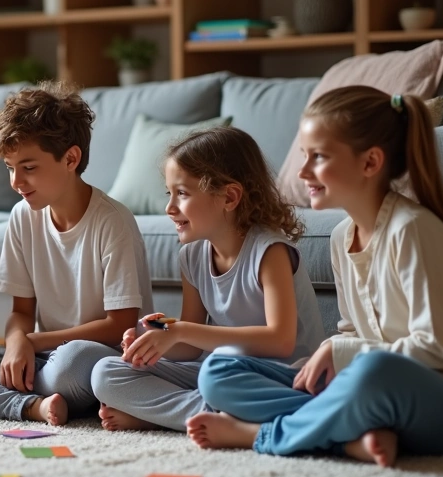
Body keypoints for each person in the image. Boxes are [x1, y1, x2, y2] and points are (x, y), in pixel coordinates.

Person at [188, 87, 443, 467]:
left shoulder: (414, 230)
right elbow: (354, 332)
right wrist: (330, 356)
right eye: (304, 155)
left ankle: (262, 434)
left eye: (319, 157)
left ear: (370, 162)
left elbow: (437, 350)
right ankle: (348, 435)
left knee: (371, 371)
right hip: (375, 390)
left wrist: (340, 352)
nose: (303, 171)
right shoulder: (342, 237)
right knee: (218, 371)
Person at [0, 81, 153, 426]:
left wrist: (32, 341)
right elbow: (21, 312)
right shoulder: (22, 216)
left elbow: (120, 326)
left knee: (71, 363)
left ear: (70, 158)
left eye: (28, 168)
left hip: (96, 359)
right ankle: (30, 406)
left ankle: (15, 394)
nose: (15, 182)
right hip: (43, 357)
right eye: (10, 168)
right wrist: (15, 344)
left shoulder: (112, 222)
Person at [93, 126, 325, 432]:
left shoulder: (270, 251)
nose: (169, 208)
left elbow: (281, 341)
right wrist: (155, 333)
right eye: (169, 193)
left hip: (283, 376)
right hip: (222, 370)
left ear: (229, 197)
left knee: (217, 372)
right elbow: (189, 347)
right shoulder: (192, 256)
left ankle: (165, 414)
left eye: (182, 193)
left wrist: (181, 331)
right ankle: (210, 414)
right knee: (105, 372)